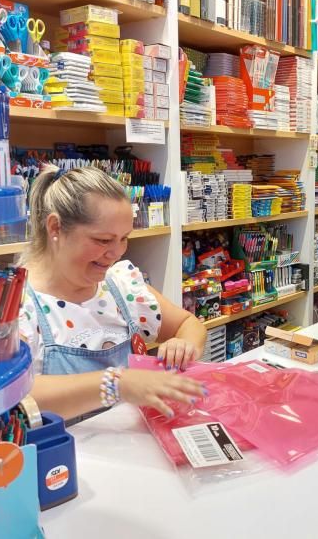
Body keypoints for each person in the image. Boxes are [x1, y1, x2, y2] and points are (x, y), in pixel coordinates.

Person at [18, 165, 207, 420]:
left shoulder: (120, 287)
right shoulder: (19, 305)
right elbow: (16, 395)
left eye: (124, 238)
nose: (117, 252)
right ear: (55, 228)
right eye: (103, 240)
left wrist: (183, 345)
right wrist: (116, 384)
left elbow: (189, 324)